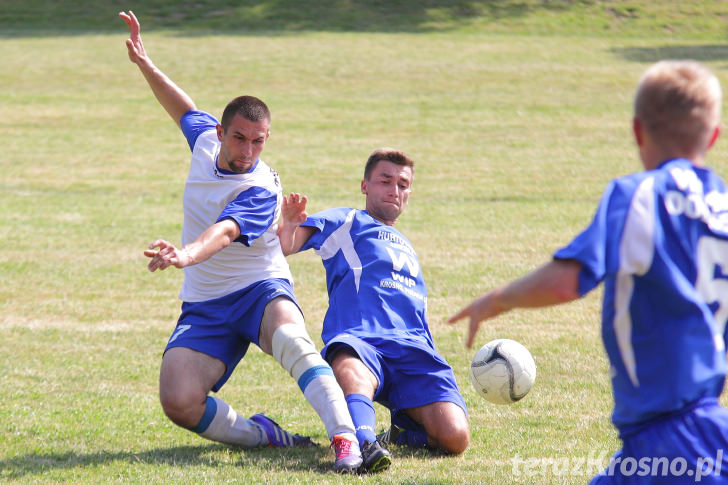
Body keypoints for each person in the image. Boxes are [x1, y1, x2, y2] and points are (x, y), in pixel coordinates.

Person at [449, 60, 728, 484]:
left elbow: (566, 281)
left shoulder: (636, 195)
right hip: (703, 432)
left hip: (670, 439)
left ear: (637, 131)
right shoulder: (723, 207)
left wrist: (498, 299)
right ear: (713, 135)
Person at [119, 10, 363, 473]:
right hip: (206, 301)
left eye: (258, 141)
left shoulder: (261, 189)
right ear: (220, 133)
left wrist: (185, 254)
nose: (247, 151)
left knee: (292, 339)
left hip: (259, 287)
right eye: (239, 138)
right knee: (179, 402)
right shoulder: (205, 142)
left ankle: (347, 440)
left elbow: (225, 232)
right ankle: (262, 435)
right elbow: (184, 109)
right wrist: (145, 64)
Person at [278, 148, 470, 473]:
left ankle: (401, 432)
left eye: (403, 184)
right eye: (386, 180)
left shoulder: (407, 244)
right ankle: (365, 443)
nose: (395, 190)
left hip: (414, 350)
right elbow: (288, 243)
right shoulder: (348, 220)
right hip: (361, 339)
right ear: (365, 185)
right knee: (353, 372)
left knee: (455, 438)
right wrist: (289, 224)